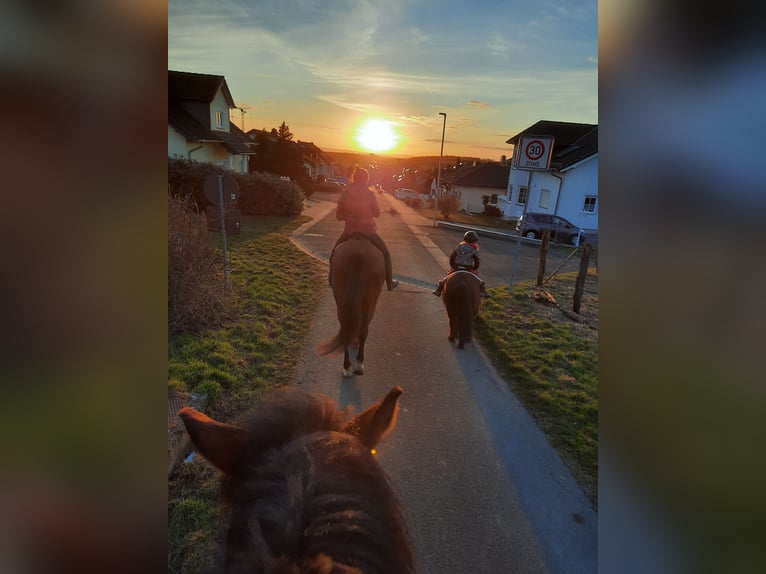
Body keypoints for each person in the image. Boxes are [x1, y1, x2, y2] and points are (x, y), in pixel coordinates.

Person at [328, 167, 399, 290]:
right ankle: (390, 282)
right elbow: (377, 213)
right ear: (366, 179)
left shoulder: (345, 193)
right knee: (386, 254)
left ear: (354, 178)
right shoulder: (370, 193)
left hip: (349, 232)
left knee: (335, 252)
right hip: (369, 232)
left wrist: (349, 216)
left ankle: (330, 279)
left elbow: (339, 216)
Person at [432, 230, 490, 297]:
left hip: (457, 267)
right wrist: (474, 269)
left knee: (447, 277)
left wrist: (453, 266)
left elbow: (452, 258)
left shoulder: (458, 247)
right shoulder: (474, 249)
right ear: (475, 240)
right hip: (468, 268)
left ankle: (439, 289)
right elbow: (477, 262)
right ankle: (483, 291)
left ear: (464, 239)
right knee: (479, 280)